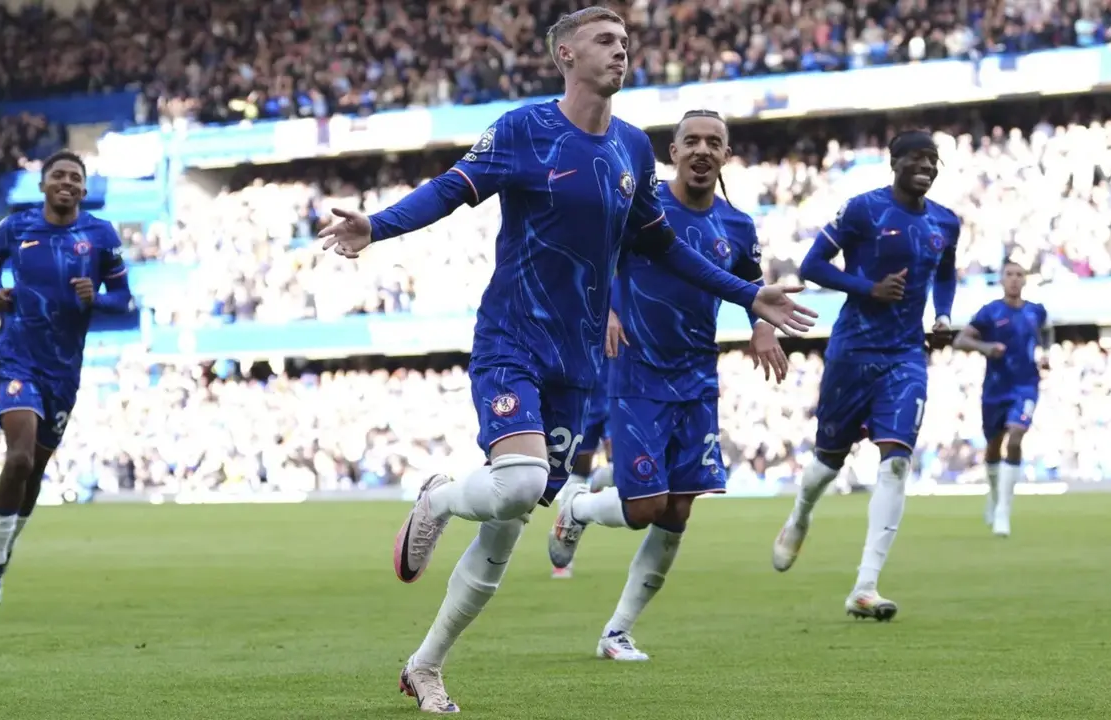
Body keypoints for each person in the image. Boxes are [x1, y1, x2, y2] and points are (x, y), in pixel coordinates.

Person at [317, 7, 816, 712]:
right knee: (518, 485)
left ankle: (425, 665)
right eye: (607, 41)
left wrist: (747, 294)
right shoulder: (526, 130)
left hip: (578, 365)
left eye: (625, 42)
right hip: (512, 340)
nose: (622, 52)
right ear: (565, 53)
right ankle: (437, 496)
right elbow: (452, 189)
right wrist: (379, 225)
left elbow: (662, 244)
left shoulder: (634, 149)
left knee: (507, 529)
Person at [545, 109, 790, 660]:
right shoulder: (644, 209)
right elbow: (598, 257)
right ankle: (579, 507)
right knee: (645, 510)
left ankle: (617, 631)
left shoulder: (738, 226)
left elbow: (750, 285)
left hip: (698, 378)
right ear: (673, 152)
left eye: (714, 143)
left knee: (679, 512)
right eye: (692, 141)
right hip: (636, 372)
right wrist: (607, 308)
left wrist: (760, 326)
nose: (702, 151)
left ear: (726, 156)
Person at [770, 129, 960, 622]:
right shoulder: (862, 209)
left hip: (905, 355)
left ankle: (865, 585)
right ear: (894, 162)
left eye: (933, 159)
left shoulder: (945, 221)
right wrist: (867, 288)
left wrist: (942, 314)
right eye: (917, 158)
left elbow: (945, 270)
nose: (926, 166)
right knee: (828, 462)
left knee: (897, 461)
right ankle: (800, 513)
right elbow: (813, 265)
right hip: (853, 351)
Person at [0, 149, 134, 609]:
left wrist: (96, 299)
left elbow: (124, 299)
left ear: (84, 190)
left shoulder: (101, 236)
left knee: (37, 471)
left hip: (63, 370)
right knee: (20, 459)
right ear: (43, 185)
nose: (67, 182)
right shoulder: (17, 227)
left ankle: (2, 554)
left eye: (75, 178)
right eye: (58, 175)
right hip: (17, 356)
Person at [952, 261, 1050, 536]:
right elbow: (960, 340)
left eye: (1020, 275)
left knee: (1017, 435)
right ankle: (995, 497)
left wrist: (1044, 354)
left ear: (1025, 280)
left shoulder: (1036, 311)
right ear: (1002, 280)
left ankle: (1003, 511)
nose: (1015, 280)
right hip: (996, 388)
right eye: (1010, 275)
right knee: (993, 446)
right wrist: (985, 347)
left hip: (1026, 385)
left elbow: (1044, 334)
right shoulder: (990, 312)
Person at [550, 361, 614, 580]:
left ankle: (583, 505)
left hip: (621, 392)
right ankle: (564, 540)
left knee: (618, 469)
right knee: (577, 470)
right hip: (585, 393)